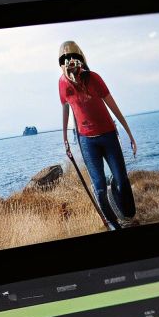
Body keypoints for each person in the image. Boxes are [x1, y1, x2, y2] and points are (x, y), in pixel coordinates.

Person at [56, 40, 139, 229]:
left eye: (74, 57)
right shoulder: (62, 84)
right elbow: (65, 109)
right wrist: (65, 140)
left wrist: (129, 133)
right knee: (99, 187)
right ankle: (111, 222)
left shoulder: (94, 78)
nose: (70, 61)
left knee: (121, 180)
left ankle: (126, 214)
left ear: (81, 59)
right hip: (86, 141)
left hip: (108, 135)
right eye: (65, 58)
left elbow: (112, 106)